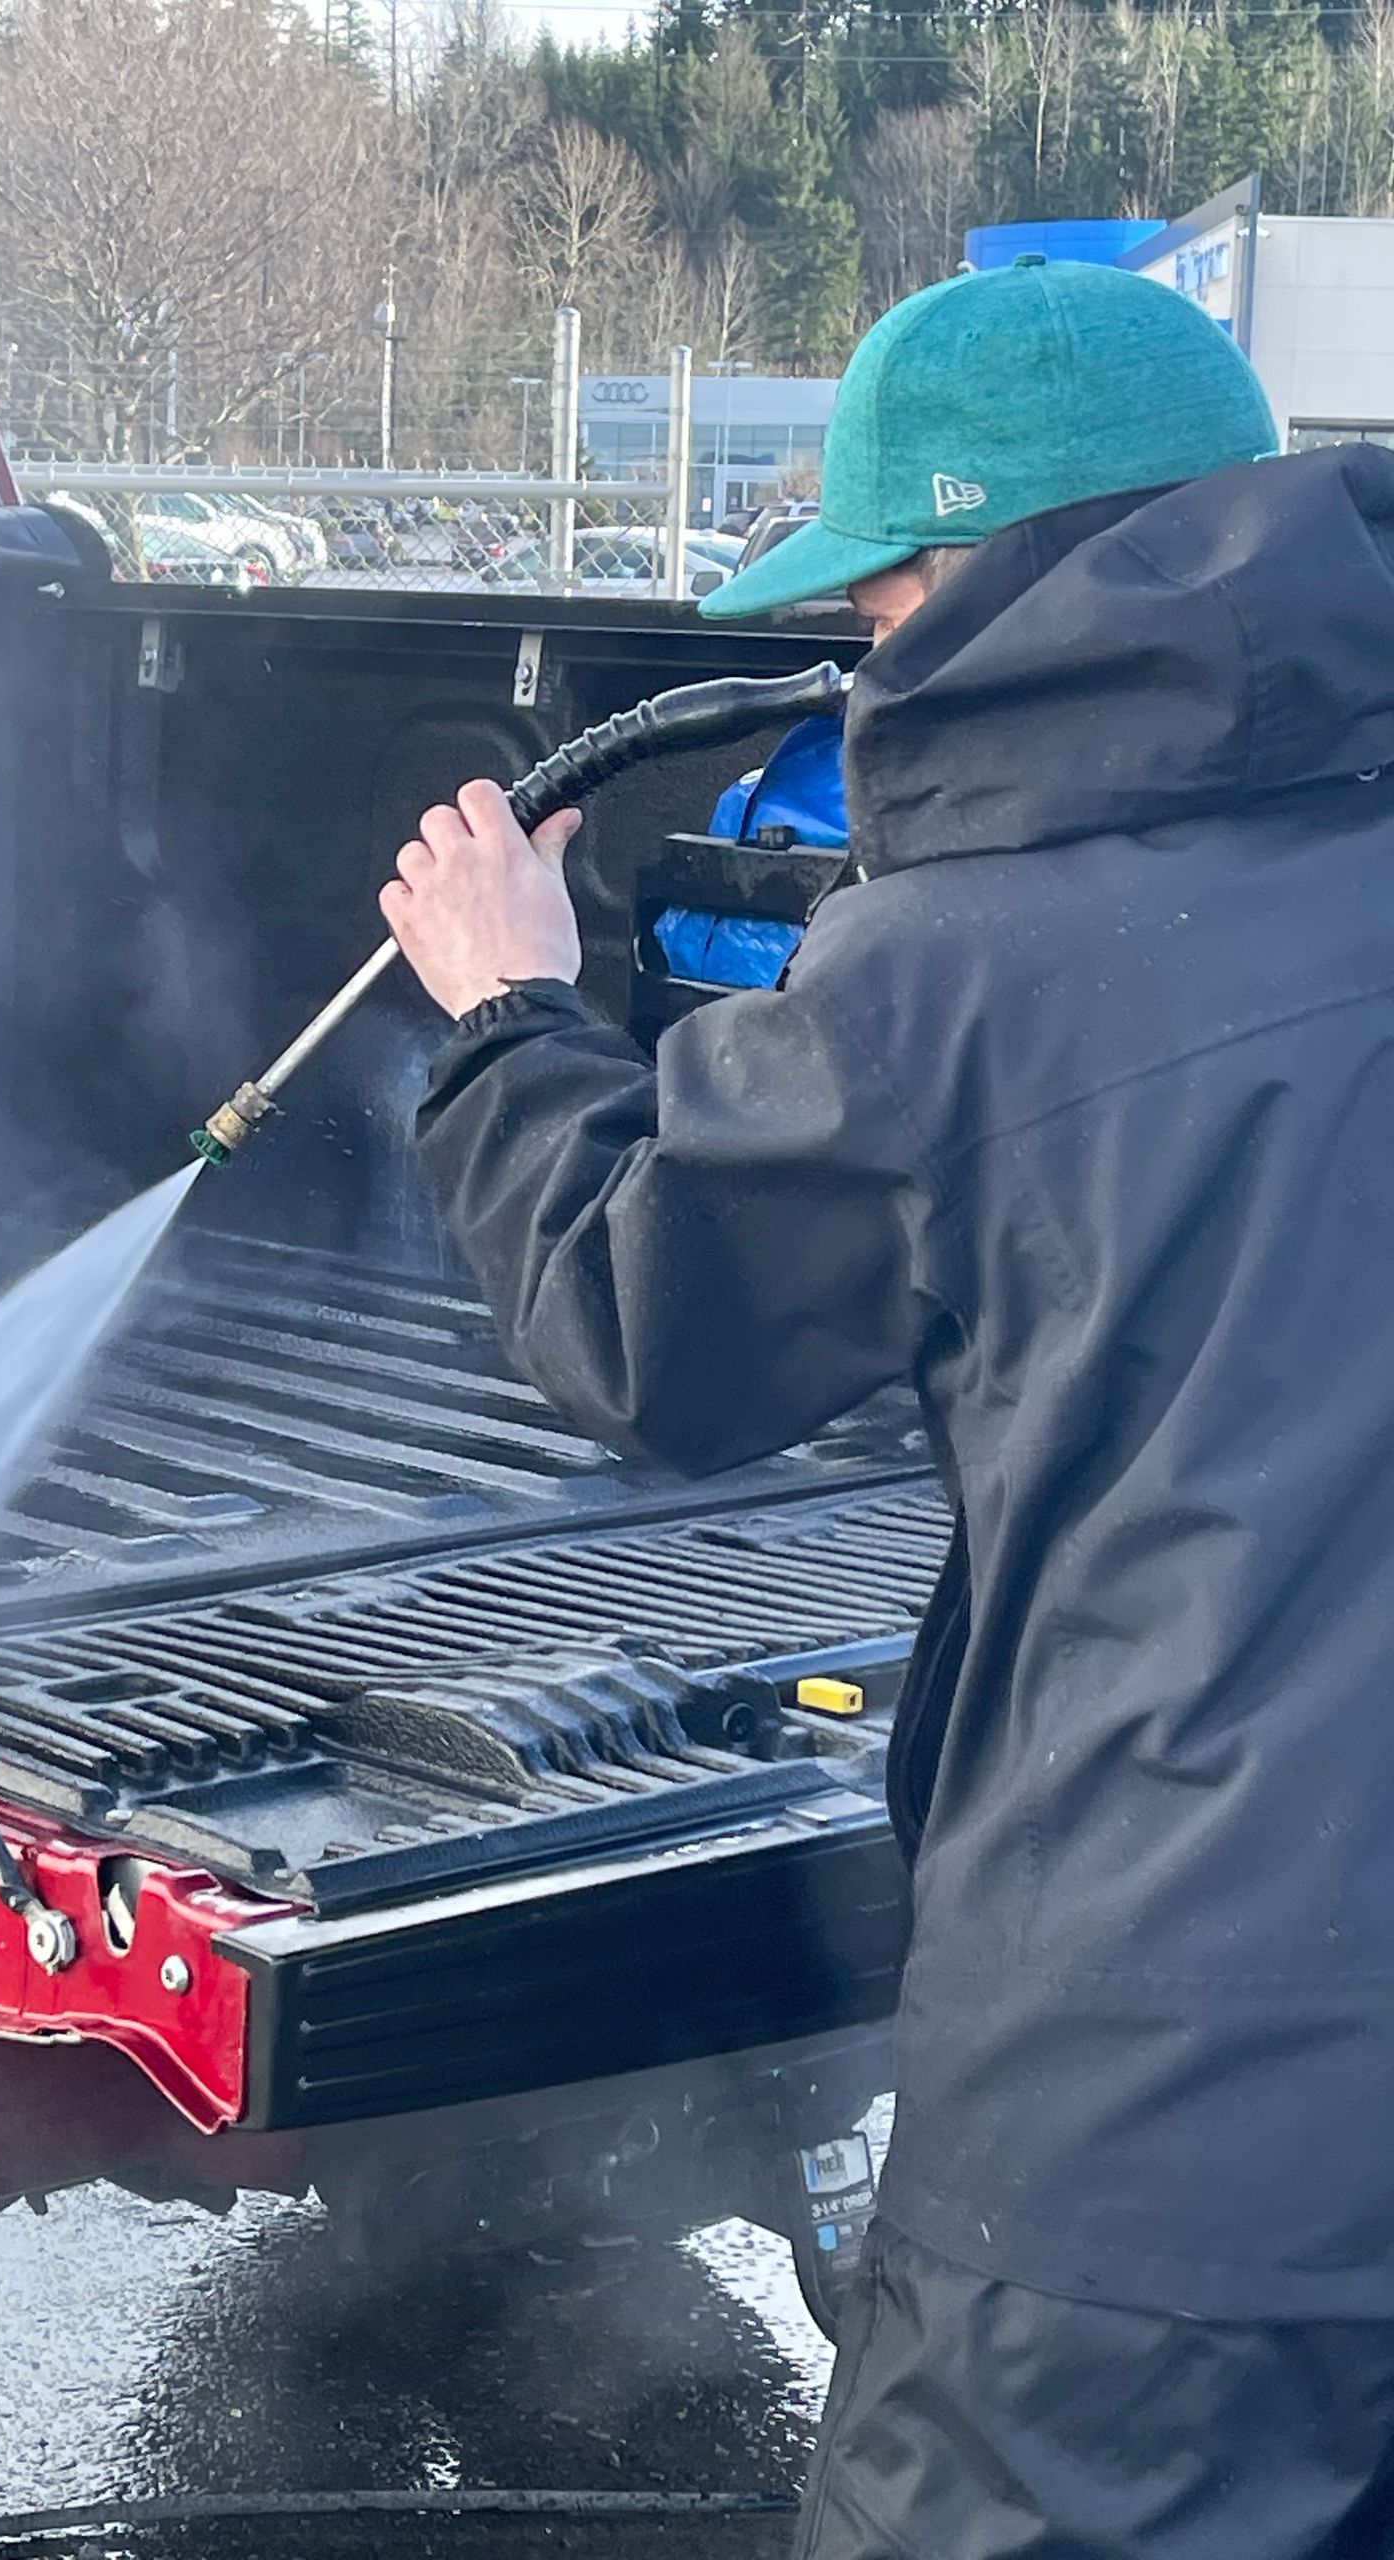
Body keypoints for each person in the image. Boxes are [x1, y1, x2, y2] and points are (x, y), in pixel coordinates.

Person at [380, 256, 1394, 2559]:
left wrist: (509, 1013)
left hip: (1166, 2138)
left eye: (883, 594)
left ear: (987, 570)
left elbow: (647, 1323)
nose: (863, 654)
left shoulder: (961, 972)